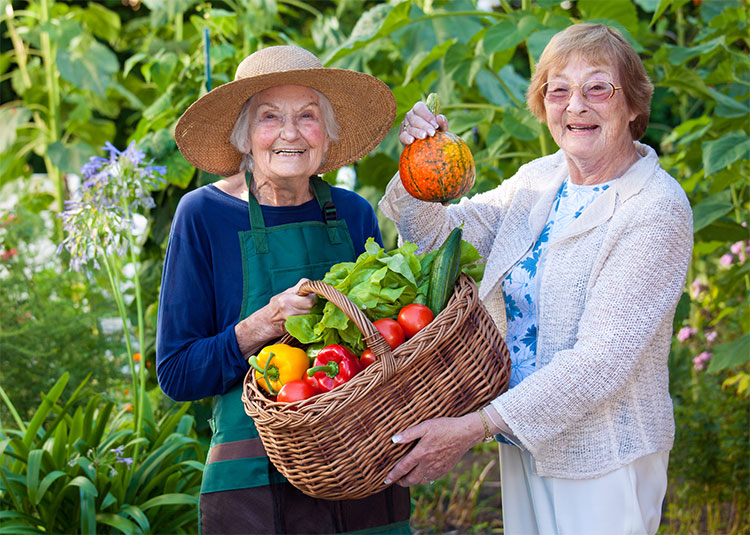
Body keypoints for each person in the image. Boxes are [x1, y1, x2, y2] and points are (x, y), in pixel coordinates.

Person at [379, 23, 692, 535]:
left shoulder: (654, 208)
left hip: (603, 455)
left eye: (598, 88)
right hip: (523, 441)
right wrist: (417, 163)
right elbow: (440, 239)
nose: (576, 106)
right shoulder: (539, 180)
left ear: (633, 105)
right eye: (559, 90)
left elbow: (601, 362)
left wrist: (470, 428)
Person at [156, 45, 411, 534]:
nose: (290, 133)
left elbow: (389, 341)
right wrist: (258, 327)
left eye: (308, 116)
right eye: (270, 117)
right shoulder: (203, 215)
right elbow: (176, 373)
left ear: (327, 133)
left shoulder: (354, 214)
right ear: (245, 136)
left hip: (360, 463)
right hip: (251, 477)